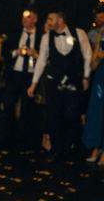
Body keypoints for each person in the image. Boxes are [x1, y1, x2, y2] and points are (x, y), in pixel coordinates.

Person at [28, 11, 92, 160]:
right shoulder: (46, 37)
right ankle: (57, 150)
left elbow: (87, 54)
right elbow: (42, 61)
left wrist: (86, 76)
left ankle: (73, 146)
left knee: (72, 114)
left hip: (74, 81)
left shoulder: (79, 33)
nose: (48, 22)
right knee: (54, 115)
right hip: (53, 81)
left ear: (60, 20)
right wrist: (34, 83)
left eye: (51, 19)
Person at [2, 9, 42, 150]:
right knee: (8, 105)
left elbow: (45, 57)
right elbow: (5, 53)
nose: (25, 20)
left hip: (31, 75)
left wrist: (35, 54)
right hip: (15, 74)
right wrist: (16, 52)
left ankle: (24, 140)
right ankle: (7, 138)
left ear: (35, 19)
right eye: (23, 17)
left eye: (29, 17)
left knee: (27, 108)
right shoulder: (15, 33)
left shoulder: (41, 35)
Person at [83, 27, 104, 165]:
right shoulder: (101, 34)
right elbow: (93, 63)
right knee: (97, 112)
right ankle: (96, 147)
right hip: (100, 77)